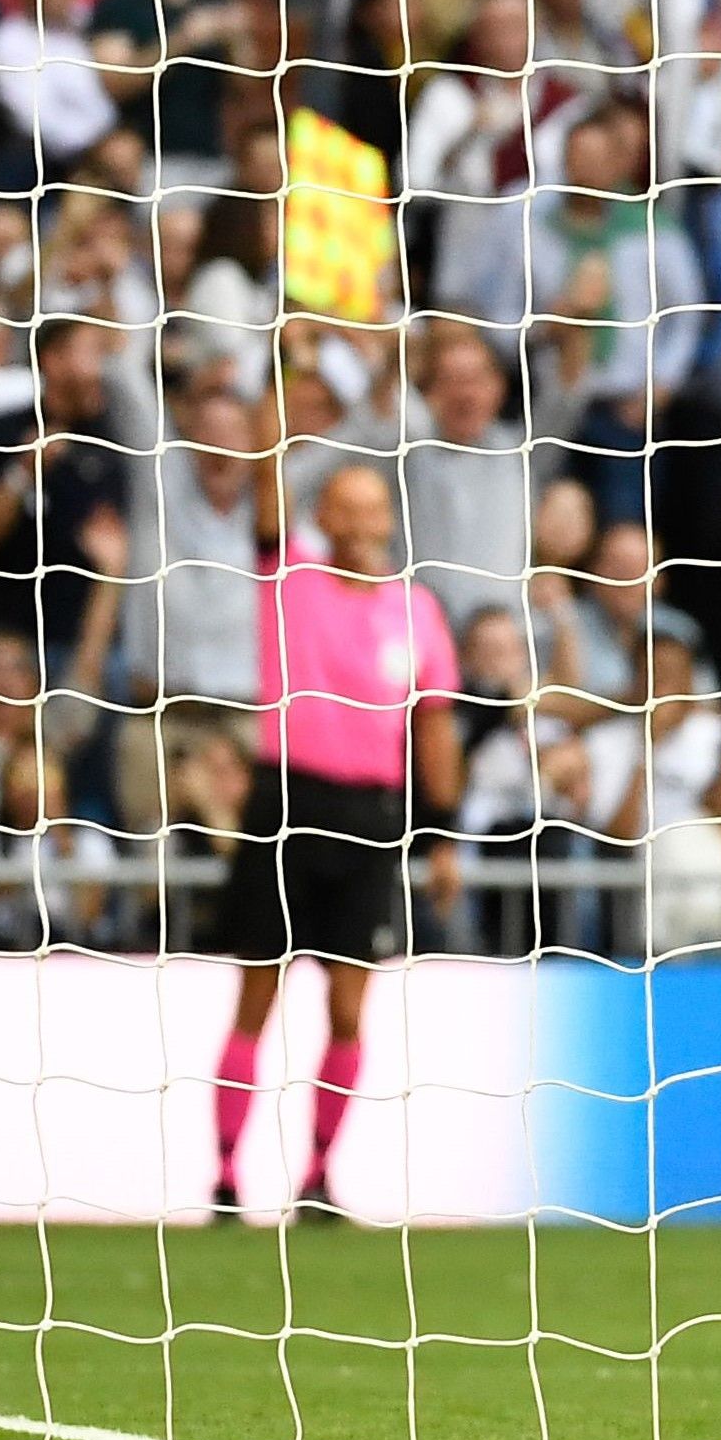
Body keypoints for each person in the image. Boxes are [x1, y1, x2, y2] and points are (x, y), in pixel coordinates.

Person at [209, 463, 462, 1221]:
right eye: (342, 509)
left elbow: (435, 724)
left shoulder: (416, 610)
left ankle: (318, 1178)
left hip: (372, 817)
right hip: (287, 801)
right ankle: (224, 1178)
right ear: (319, 514)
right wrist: (288, 368)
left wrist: (442, 834)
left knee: (350, 1007)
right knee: (256, 996)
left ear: (388, 518)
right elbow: (262, 480)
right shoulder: (289, 578)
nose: (357, 523)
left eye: (370, 509)